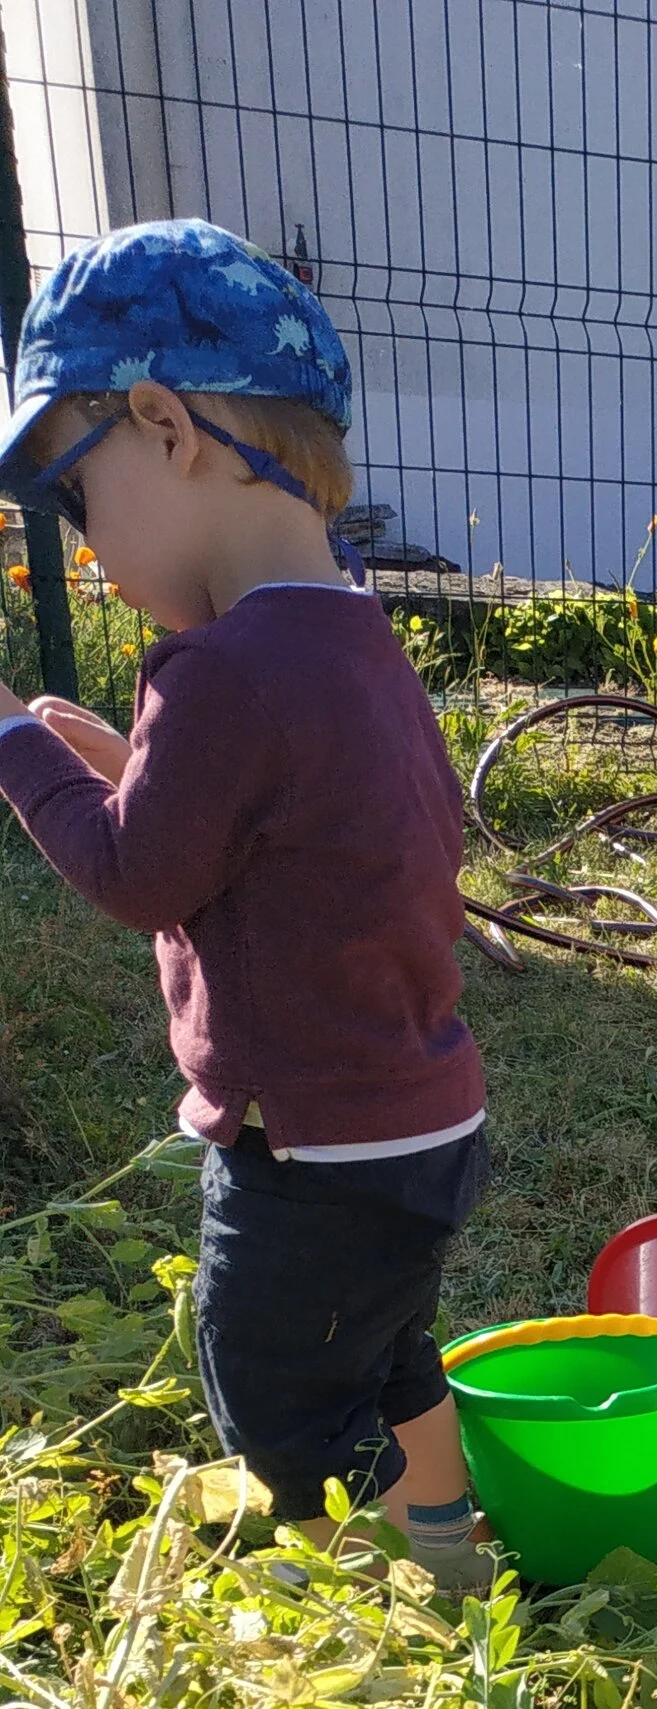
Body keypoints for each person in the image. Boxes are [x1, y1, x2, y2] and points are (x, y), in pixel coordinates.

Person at [0, 219, 493, 1596]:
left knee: (282, 1400)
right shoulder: (353, 638)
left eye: (85, 502)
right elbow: (287, 828)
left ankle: (363, 1626)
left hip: (310, 1157)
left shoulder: (220, 667)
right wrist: (126, 763)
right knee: (391, 1361)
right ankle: (454, 1576)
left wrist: (18, 750)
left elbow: (138, 873)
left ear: (165, 426)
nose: (89, 548)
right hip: (422, 1124)